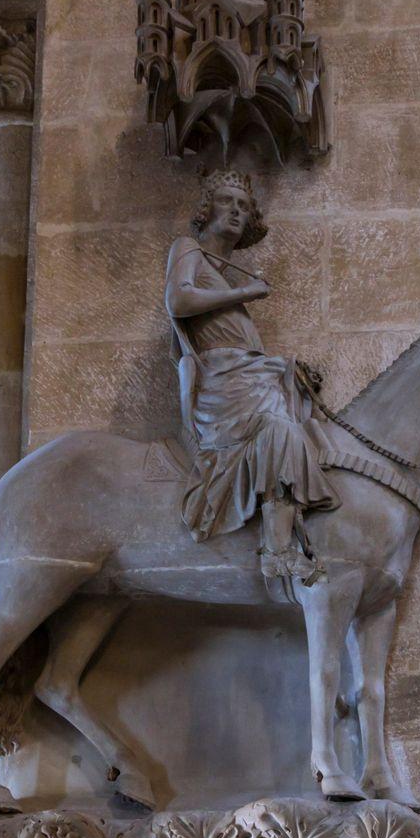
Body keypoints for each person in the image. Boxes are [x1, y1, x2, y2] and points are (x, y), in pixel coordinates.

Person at [165, 168, 339, 585]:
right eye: (227, 201)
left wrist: (285, 367)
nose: (236, 211)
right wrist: (244, 293)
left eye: (244, 206)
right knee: (280, 431)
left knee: (301, 434)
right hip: (221, 386)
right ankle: (275, 553)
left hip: (246, 377)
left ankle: (285, 536)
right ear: (207, 209)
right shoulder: (187, 248)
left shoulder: (221, 270)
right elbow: (178, 299)